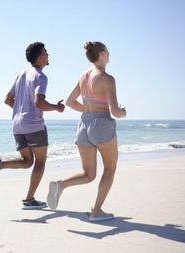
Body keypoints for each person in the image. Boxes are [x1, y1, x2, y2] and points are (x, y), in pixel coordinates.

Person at [47, 41, 126, 221]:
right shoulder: (107, 79)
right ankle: (96, 211)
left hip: (84, 125)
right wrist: (123, 112)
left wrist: (90, 112)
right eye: (108, 51)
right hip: (102, 125)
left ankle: (61, 185)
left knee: (88, 174)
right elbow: (114, 111)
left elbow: (70, 101)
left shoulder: (84, 75)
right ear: (103, 54)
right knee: (110, 168)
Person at [0, 42, 65, 209]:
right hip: (33, 125)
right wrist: (57, 108)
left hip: (17, 125)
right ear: (40, 57)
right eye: (46, 53)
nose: (48, 55)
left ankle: (0, 165)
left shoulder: (21, 74)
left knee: (27, 161)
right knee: (40, 162)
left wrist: (22, 110)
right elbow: (39, 103)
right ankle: (29, 199)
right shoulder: (41, 77)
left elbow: (7, 99)